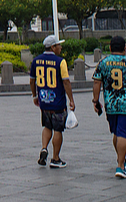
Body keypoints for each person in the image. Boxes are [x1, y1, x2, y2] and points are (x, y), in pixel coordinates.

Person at [92, 36, 126, 179]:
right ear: (124, 48)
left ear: (110, 48)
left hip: (111, 105)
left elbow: (97, 82)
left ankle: (120, 159)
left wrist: (96, 101)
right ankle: (121, 166)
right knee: (123, 134)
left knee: (116, 132)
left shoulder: (103, 63)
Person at [31, 35, 75, 169]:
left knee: (47, 126)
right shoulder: (60, 61)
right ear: (53, 47)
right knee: (58, 129)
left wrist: (35, 95)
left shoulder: (36, 61)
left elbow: (32, 80)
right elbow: (66, 81)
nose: (60, 47)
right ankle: (55, 158)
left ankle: (44, 148)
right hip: (58, 101)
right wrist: (71, 99)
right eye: (58, 45)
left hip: (44, 99)